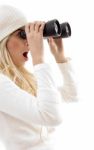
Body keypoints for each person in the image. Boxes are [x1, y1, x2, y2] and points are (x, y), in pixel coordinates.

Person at [0, 5, 77, 150]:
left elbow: (71, 95)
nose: (29, 41)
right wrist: (39, 58)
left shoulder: (22, 78)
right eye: (23, 35)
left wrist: (60, 58)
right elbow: (52, 116)